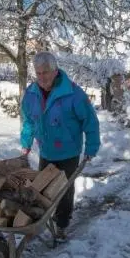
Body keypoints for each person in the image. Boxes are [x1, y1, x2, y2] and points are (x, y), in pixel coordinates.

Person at [20, 51, 100, 241]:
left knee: (63, 192)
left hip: (68, 152)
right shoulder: (31, 94)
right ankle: (41, 221)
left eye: (45, 72)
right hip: (46, 150)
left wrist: (91, 147)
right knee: (41, 190)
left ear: (55, 71)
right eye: (38, 73)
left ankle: (62, 224)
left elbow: (90, 121)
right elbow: (29, 121)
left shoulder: (73, 93)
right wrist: (26, 143)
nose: (42, 77)